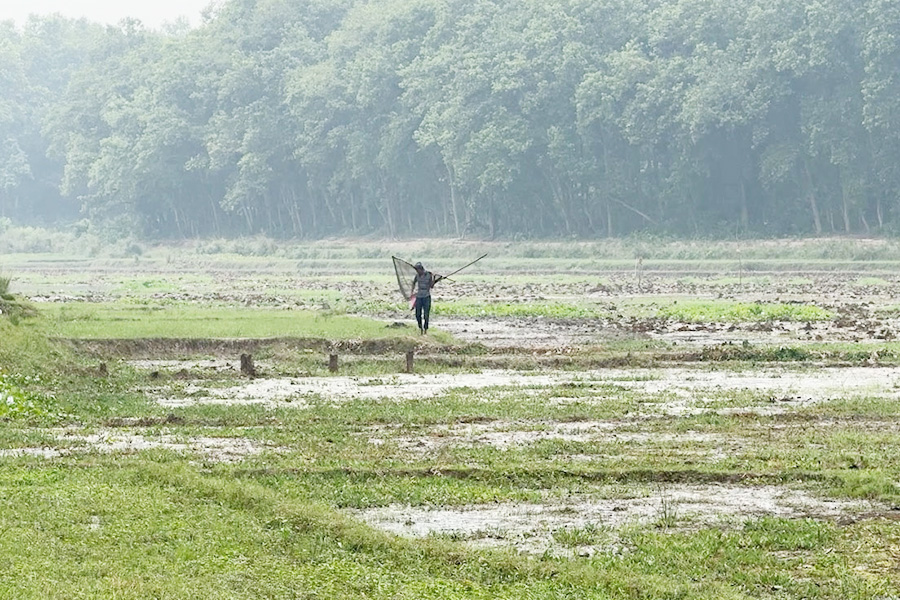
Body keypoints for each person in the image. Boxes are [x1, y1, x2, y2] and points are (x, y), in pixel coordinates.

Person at [411, 262, 442, 334]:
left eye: (418, 270)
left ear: (421, 269)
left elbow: (431, 286)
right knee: (417, 314)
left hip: (426, 297)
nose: (417, 271)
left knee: (426, 315)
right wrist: (412, 293)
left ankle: (425, 329)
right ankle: (420, 328)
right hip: (419, 297)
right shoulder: (417, 276)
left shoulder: (428, 275)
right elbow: (413, 283)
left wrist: (434, 279)